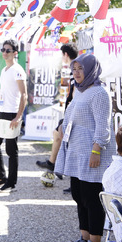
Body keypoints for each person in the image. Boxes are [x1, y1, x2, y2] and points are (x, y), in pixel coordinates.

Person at [55, 54, 114, 242]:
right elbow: (73, 117)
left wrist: (97, 149)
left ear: (90, 70)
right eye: (74, 68)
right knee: (79, 195)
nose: (77, 72)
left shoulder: (99, 93)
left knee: (92, 198)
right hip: (77, 152)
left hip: (93, 153)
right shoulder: (79, 91)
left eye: (81, 68)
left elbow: (103, 125)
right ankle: (85, 237)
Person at [0, 39, 27, 193]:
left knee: (11, 150)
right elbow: (2, 95)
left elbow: (23, 95)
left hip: (12, 113)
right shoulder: (4, 70)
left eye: (8, 50)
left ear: (15, 53)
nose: (5, 52)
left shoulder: (18, 70)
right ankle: (0, 177)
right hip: (3, 112)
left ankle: (11, 182)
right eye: (3, 50)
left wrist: (18, 117)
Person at [36, 43, 78, 177]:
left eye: (62, 55)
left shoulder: (74, 68)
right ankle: (54, 164)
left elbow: (75, 91)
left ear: (66, 54)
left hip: (73, 111)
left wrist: (71, 106)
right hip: (72, 110)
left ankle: (56, 165)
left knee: (62, 136)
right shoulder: (76, 67)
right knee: (58, 134)